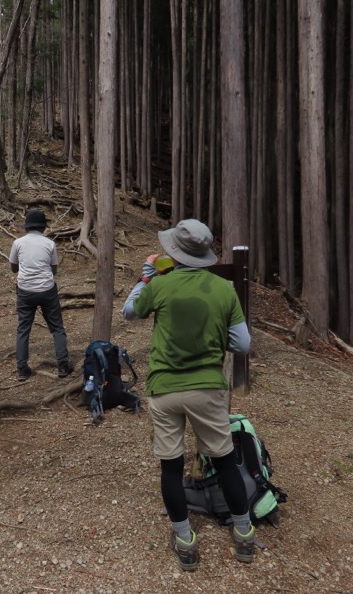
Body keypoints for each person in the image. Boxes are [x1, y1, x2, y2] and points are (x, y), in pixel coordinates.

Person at [122, 218, 254, 570]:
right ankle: (244, 536)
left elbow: (129, 312)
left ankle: (184, 539)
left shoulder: (161, 285)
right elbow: (242, 343)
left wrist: (146, 274)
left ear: (173, 252)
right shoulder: (224, 290)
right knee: (225, 460)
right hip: (208, 389)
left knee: (171, 466)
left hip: (165, 389)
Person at [9, 209, 73, 381]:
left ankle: (22, 369)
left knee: (23, 329)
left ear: (27, 227)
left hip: (25, 290)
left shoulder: (18, 243)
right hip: (46, 290)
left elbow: (13, 267)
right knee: (57, 328)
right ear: (43, 227)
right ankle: (63, 366)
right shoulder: (49, 244)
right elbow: (54, 270)